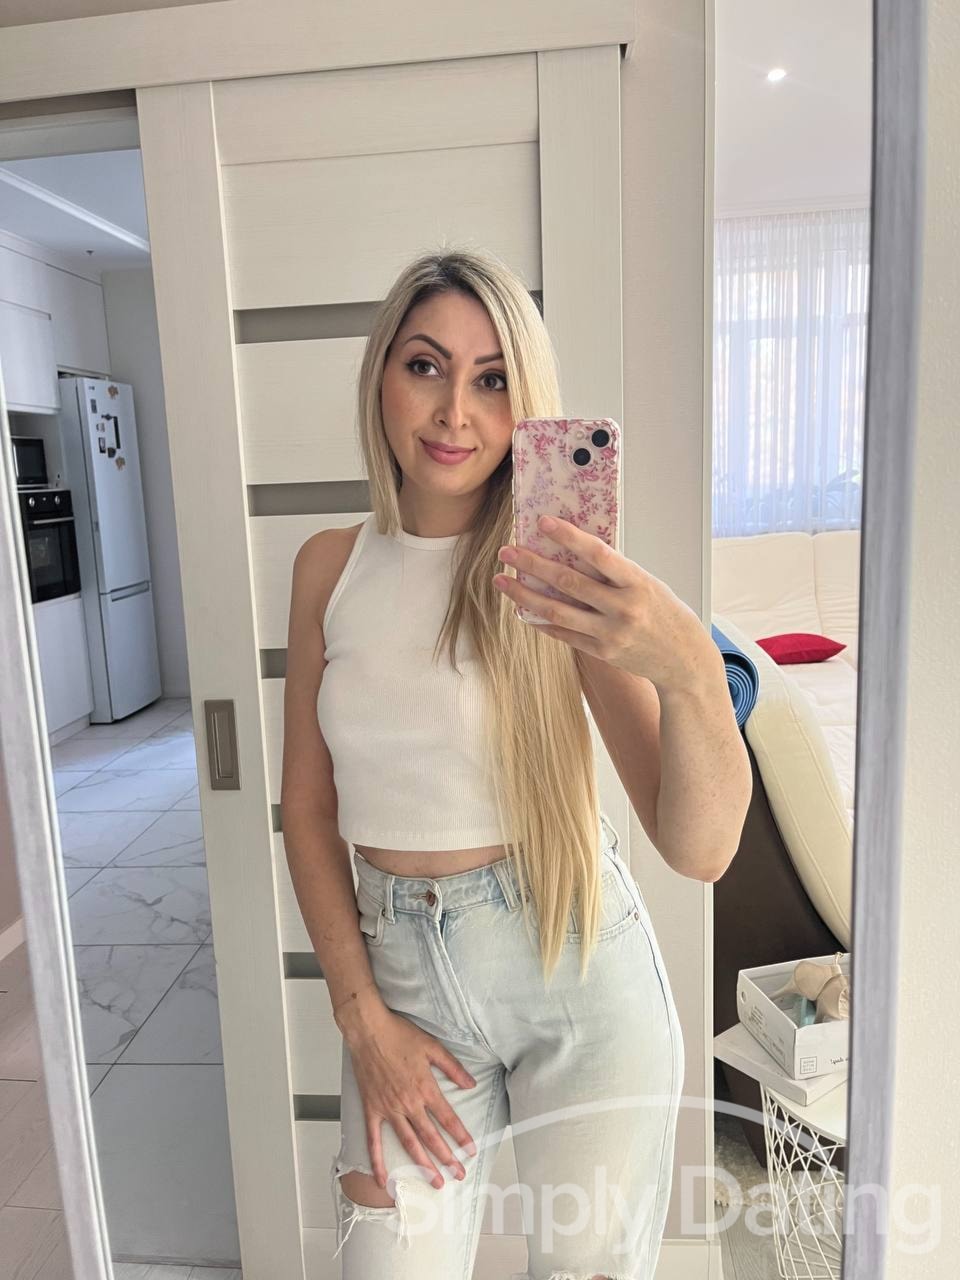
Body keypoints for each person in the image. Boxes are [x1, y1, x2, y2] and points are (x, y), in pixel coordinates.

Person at [280, 247, 750, 1279]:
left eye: (492, 379)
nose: (455, 411)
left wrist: (690, 670)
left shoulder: (554, 573)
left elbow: (700, 847)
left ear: (525, 402)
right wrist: (361, 1019)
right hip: (400, 978)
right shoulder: (327, 568)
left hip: (573, 965)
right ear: (382, 374)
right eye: (426, 365)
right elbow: (307, 810)